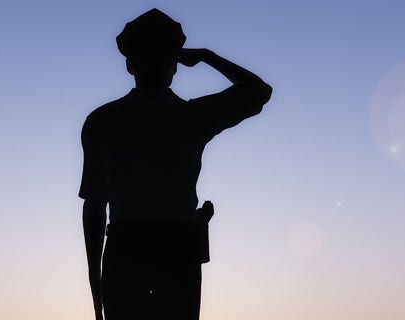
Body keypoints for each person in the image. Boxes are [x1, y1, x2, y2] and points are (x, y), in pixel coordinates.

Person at [79, 8, 272, 320]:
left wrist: (95, 282)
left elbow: (94, 205)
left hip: (128, 248)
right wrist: (207, 57)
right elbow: (259, 91)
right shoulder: (191, 117)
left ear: (130, 64)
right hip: (175, 248)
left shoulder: (103, 120)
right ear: (175, 65)